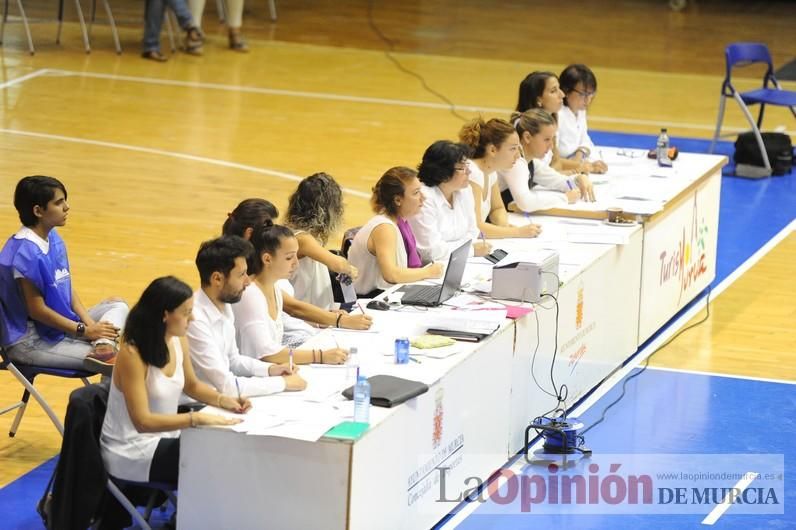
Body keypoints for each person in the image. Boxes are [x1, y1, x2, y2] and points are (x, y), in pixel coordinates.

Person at [100, 276, 250, 484]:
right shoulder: (132, 354)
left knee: (227, 445)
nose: (193, 319)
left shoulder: (178, 339)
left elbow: (192, 385)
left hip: (167, 436)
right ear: (165, 315)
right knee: (218, 460)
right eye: (187, 313)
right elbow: (142, 422)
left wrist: (225, 400)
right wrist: (194, 419)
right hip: (131, 449)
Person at [0, 176, 128, 374]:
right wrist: (84, 331)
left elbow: (65, 286)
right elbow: (37, 311)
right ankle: (104, 350)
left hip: (60, 327)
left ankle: (103, 345)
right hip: (31, 341)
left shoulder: (51, 236)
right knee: (119, 363)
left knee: (118, 305)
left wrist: (91, 326)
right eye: (59, 203)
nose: (67, 207)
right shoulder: (24, 254)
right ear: (38, 211)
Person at [223, 199, 372, 331]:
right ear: (250, 233)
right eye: (268, 226)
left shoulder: (260, 258)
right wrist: (340, 321)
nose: (273, 230)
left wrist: (322, 320)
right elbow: (292, 308)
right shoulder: (244, 271)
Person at [186, 235, 306, 396]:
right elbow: (226, 386)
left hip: (218, 399)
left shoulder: (224, 305)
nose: (248, 282)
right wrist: (282, 383)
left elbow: (234, 361)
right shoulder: (195, 319)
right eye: (241, 274)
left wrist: (271, 369)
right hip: (197, 406)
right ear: (217, 279)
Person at [233, 221, 349, 365]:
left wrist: (322, 322)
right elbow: (266, 353)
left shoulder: (274, 287)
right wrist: (319, 356)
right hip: (252, 376)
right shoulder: (250, 294)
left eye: (295, 256)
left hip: (269, 370)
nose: (296, 263)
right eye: (289, 258)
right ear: (267, 259)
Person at [349, 167, 444, 296]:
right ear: (398, 200)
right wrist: (429, 272)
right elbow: (391, 274)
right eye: (416, 193)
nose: (423, 198)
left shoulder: (400, 222)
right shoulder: (384, 228)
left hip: (387, 295)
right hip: (370, 300)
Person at [515, 71, 604, 189]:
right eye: (553, 91)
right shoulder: (523, 126)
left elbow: (557, 162)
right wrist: (575, 171)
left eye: (559, 89)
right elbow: (539, 175)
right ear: (538, 100)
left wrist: (587, 166)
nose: (562, 94)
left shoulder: (550, 121)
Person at [458, 118, 542, 239]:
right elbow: (476, 227)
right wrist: (517, 232)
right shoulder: (472, 173)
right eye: (513, 148)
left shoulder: (491, 172)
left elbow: (497, 209)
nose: (518, 155)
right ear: (492, 150)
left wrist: (504, 226)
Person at [410, 140, 492, 263]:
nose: (469, 172)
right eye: (462, 168)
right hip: (428, 269)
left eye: (467, 166)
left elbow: (472, 231)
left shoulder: (464, 190)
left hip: (459, 262)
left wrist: (452, 249)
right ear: (443, 172)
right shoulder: (423, 198)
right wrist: (471, 251)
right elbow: (431, 251)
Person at [285, 173, 358, 310]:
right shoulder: (302, 239)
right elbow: (338, 264)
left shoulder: (299, 234)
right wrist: (351, 270)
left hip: (311, 312)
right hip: (302, 317)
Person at [499, 109, 583, 212]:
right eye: (547, 139)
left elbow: (559, 181)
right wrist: (565, 198)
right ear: (527, 137)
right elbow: (526, 203)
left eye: (552, 139)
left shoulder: (531, 161)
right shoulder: (515, 162)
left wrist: (579, 179)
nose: (551, 145)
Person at [557, 64, 608, 173]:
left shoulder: (580, 111)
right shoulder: (557, 115)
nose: (588, 100)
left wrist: (580, 153)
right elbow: (550, 159)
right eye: (583, 94)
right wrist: (578, 165)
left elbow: (584, 138)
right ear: (566, 91)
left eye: (591, 94)